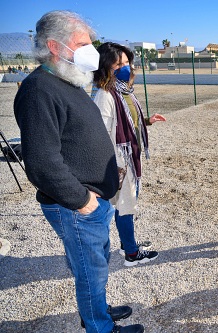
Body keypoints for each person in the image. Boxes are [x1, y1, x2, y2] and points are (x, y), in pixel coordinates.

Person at [14, 10, 144, 333]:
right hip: (75, 205)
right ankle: (99, 327)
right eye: (84, 42)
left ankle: (97, 311)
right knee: (90, 271)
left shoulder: (67, 80)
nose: (93, 49)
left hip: (93, 200)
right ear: (55, 46)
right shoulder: (37, 90)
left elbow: (76, 139)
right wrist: (83, 200)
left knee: (95, 264)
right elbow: (42, 163)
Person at [93, 42, 165, 266]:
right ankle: (132, 254)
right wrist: (113, 167)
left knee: (127, 203)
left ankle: (127, 243)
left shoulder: (123, 91)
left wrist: (147, 121)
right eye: (119, 64)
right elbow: (101, 133)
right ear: (105, 67)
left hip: (129, 157)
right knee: (125, 204)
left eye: (127, 62)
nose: (126, 67)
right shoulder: (105, 96)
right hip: (119, 161)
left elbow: (127, 122)